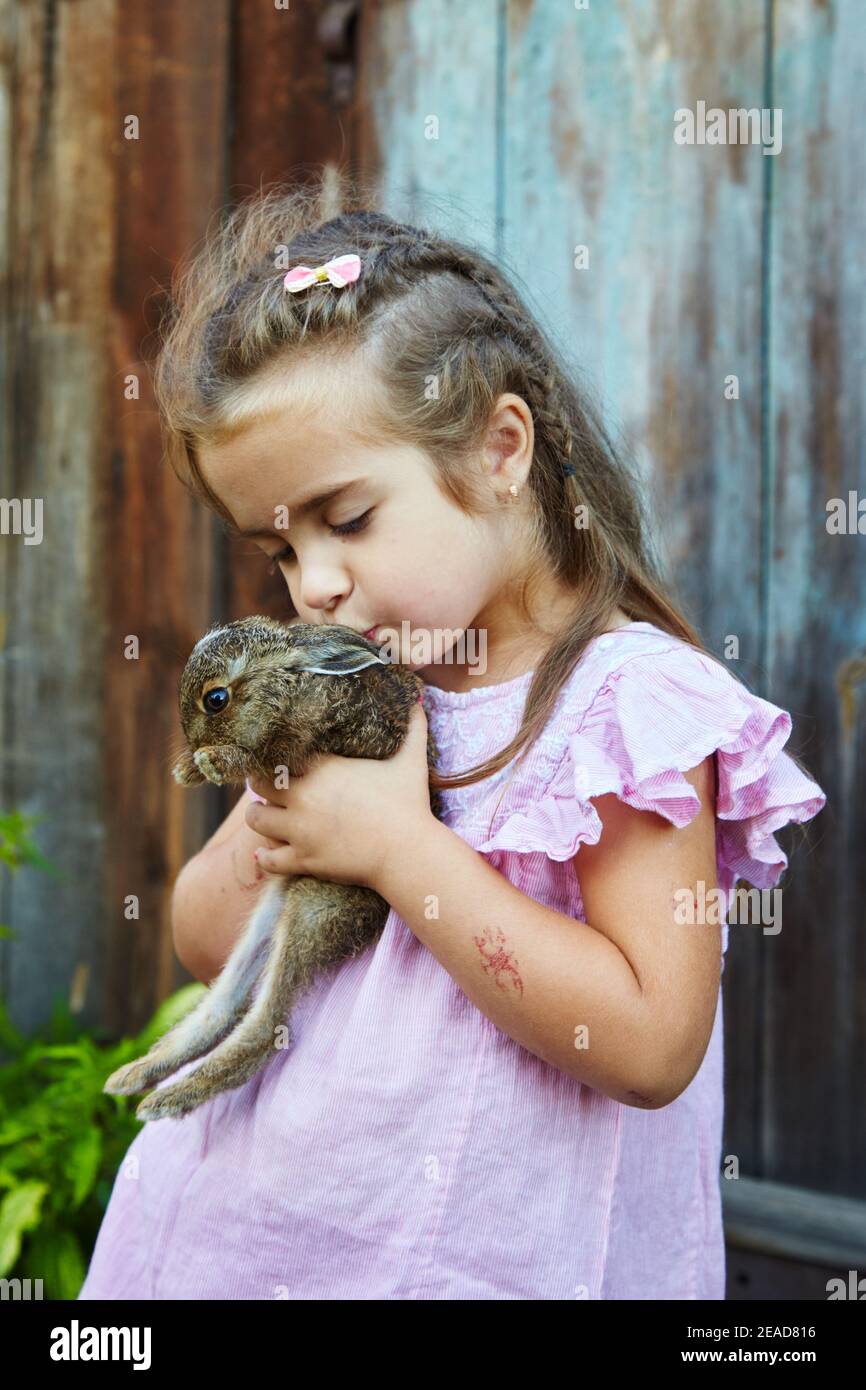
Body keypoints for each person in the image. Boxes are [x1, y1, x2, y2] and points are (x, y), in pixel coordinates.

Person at [78, 178, 826, 1300]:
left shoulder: (625, 710)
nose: (315, 585)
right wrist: (285, 818)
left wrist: (396, 849)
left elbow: (647, 1042)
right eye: (277, 553)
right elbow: (202, 935)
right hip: (250, 1242)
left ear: (498, 449)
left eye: (348, 519)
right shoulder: (355, 684)